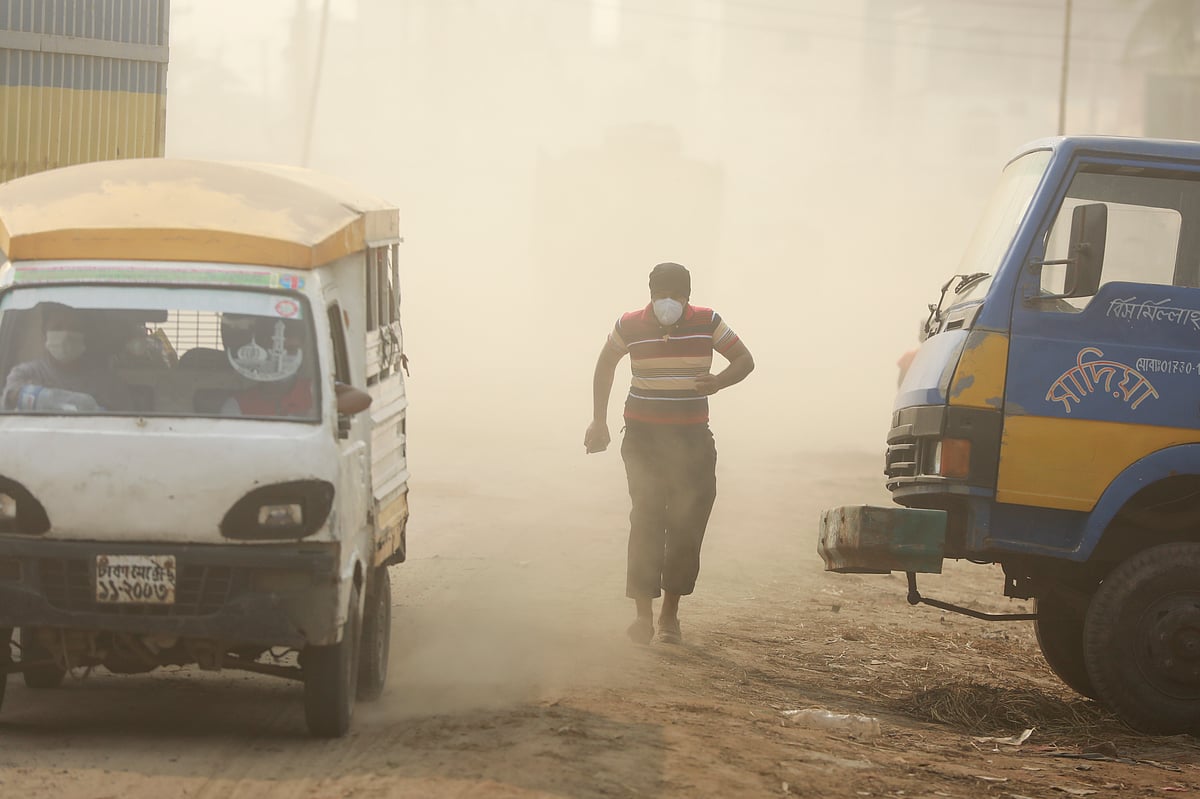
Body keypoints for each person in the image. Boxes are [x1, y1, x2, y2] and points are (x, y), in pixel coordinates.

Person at [584, 262, 754, 645]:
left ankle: (669, 615)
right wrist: (599, 420)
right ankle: (642, 616)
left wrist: (719, 381)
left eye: (675, 296)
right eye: (660, 295)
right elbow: (606, 363)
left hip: (691, 440)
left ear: (687, 297)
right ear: (650, 295)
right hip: (643, 439)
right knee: (646, 519)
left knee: (686, 524)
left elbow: (745, 360)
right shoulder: (630, 324)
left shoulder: (708, 322)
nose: (667, 303)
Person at [220, 313, 371, 418]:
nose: (283, 356)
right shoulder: (237, 405)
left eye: (291, 350)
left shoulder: (312, 391)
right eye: (275, 350)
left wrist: (319, 409)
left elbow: (362, 399)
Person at [2, 303, 134, 412]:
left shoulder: (107, 382)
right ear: (44, 332)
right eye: (57, 327)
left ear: (84, 335)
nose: (65, 334)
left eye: (74, 328)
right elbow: (10, 398)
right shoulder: (25, 373)